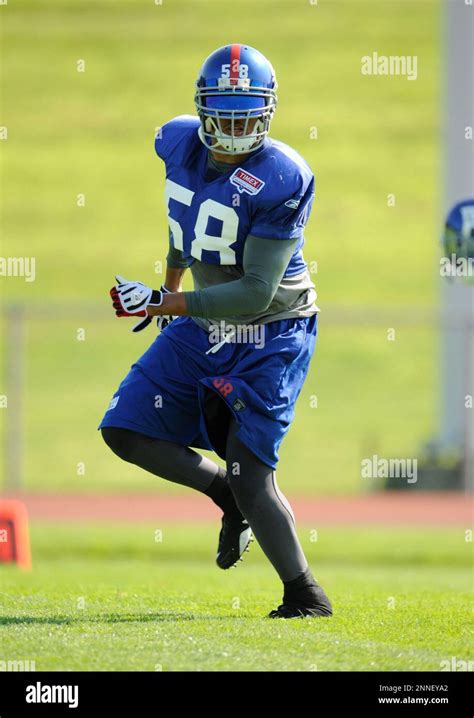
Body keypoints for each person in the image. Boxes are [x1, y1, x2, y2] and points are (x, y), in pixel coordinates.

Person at [100, 43, 333, 619]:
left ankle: (305, 596)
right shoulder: (177, 144)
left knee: (250, 472)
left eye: (247, 112)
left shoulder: (283, 175)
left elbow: (255, 291)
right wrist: (170, 284)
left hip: (271, 328)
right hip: (205, 318)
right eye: (224, 112)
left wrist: (166, 300)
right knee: (125, 429)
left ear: (269, 110)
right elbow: (187, 220)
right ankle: (221, 494)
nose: (233, 126)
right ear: (201, 108)